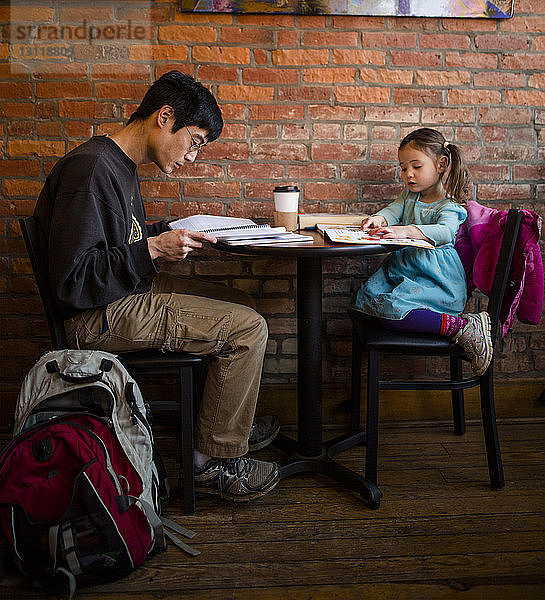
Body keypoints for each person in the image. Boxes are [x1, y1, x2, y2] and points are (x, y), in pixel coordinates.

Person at [33, 71, 281, 502]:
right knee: (247, 328)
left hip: (120, 296)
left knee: (238, 302)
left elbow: (115, 240)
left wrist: (171, 230)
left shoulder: (119, 164)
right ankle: (213, 462)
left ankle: (223, 422)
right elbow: (72, 280)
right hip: (96, 315)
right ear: (165, 117)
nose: (193, 156)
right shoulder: (91, 169)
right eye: (196, 141)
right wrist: (151, 249)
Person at [354, 127, 493, 376]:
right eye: (403, 167)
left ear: (441, 164)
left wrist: (407, 230)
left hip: (435, 277)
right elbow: (392, 210)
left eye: (416, 167)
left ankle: (462, 326)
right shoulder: (409, 196)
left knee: (392, 313)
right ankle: (444, 324)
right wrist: (379, 219)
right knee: (365, 304)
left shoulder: (449, 205)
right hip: (406, 272)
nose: (409, 174)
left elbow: (445, 232)